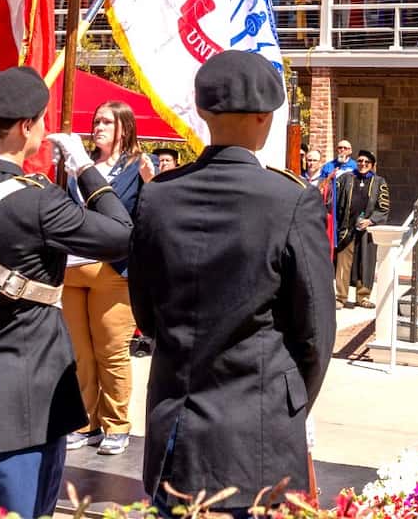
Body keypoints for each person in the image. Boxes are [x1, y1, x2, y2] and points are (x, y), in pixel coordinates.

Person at [129, 50, 336, 509]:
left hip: (176, 428)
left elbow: (145, 312)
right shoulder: (291, 200)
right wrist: (286, 403)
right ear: (266, 117)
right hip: (258, 438)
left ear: (202, 112)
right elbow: (316, 332)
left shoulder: (158, 196)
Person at [0, 67, 132, 518]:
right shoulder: (38, 200)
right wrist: (85, 169)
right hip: (21, 406)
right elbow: (122, 234)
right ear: (26, 126)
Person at [63, 103, 156, 456]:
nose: (97, 126)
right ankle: (85, 423)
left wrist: (152, 181)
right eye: (95, 120)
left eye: (106, 121)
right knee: (79, 354)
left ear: (124, 128)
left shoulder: (138, 166)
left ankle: (116, 425)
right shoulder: (76, 165)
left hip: (115, 271)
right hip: (73, 269)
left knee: (111, 352)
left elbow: (150, 213)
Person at [334, 151, 390, 309]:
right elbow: (334, 199)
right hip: (347, 228)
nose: (363, 164)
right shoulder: (346, 178)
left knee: (366, 263)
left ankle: (363, 297)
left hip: (367, 231)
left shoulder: (379, 182)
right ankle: (340, 297)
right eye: (360, 161)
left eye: (367, 162)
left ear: (372, 165)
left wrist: (371, 221)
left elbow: (383, 207)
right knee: (343, 264)